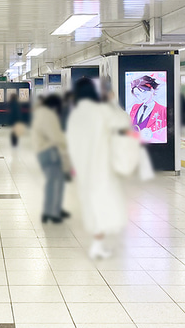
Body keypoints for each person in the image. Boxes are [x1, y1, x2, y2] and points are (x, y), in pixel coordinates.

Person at [66, 77, 130, 259]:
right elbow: (123, 121)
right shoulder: (100, 110)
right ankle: (98, 243)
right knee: (102, 202)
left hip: (83, 168)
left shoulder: (75, 115)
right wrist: (111, 102)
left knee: (90, 203)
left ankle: (97, 242)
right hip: (101, 166)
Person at [32, 94, 71, 223]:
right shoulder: (48, 115)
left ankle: (51, 210)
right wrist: (66, 143)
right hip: (50, 151)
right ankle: (53, 213)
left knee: (52, 181)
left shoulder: (39, 113)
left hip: (41, 151)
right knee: (56, 182)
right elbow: (56, 136)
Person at [128, 75, 166, 143]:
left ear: (151, 89)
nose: (141, 97)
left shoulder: (163, 110)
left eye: (144, 92)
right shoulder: (135, 107)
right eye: (138, 94)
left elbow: (164, 134)